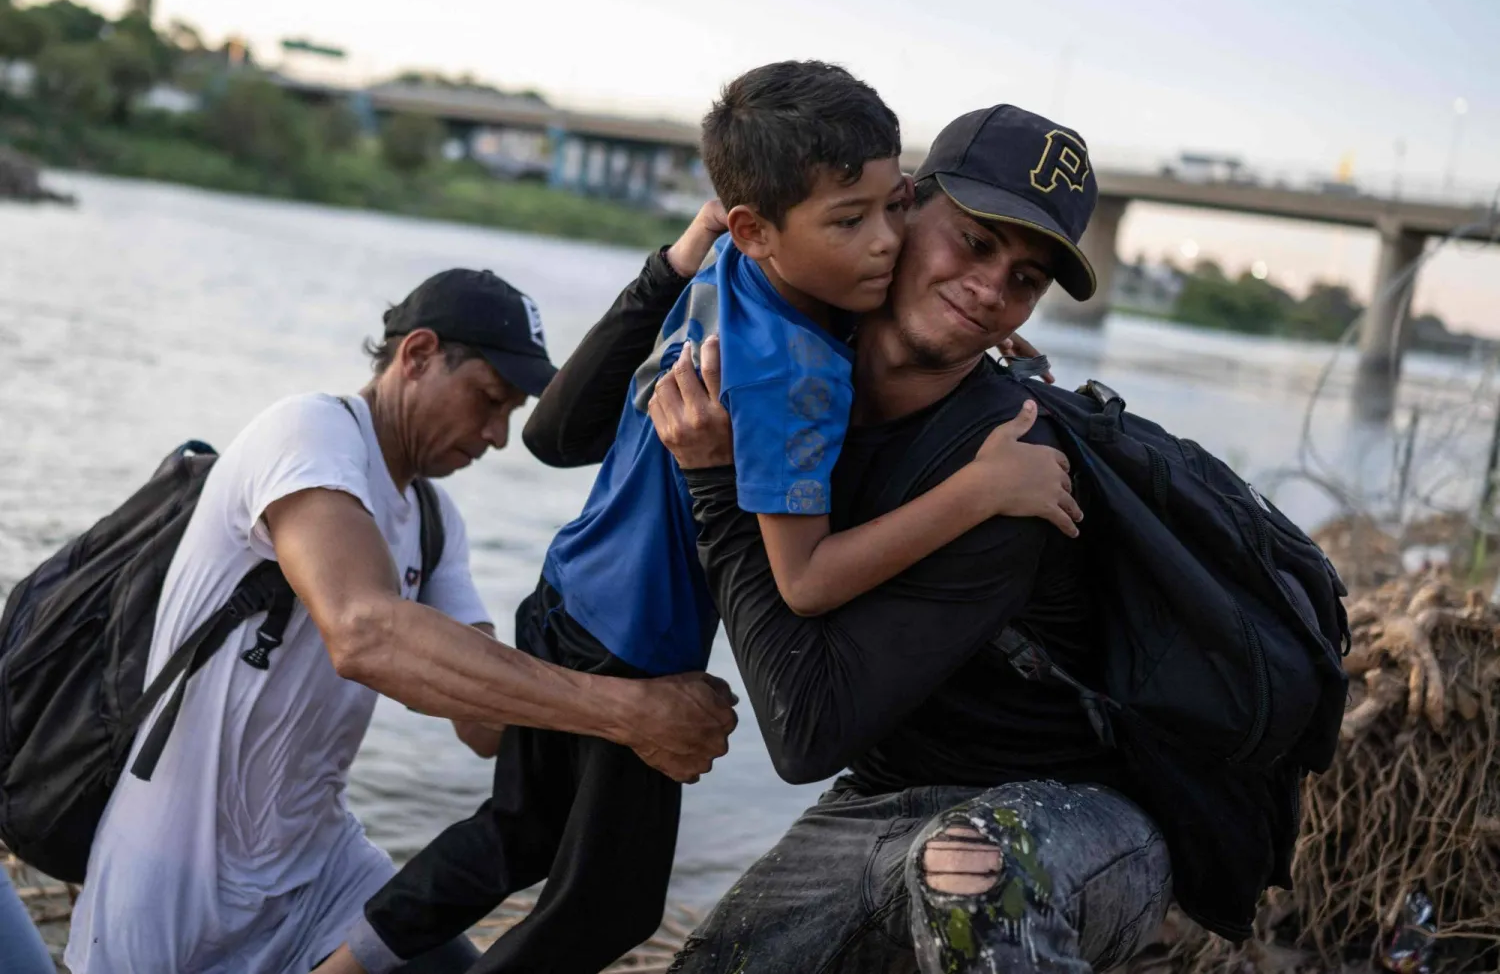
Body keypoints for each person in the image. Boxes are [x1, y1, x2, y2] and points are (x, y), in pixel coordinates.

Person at [323, 62, 1078, 974]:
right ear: (759, 227)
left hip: (565, 591)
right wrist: (981, 489)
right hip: (633, 640)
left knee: (516, 833)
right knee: (610, 907)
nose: (882, 243)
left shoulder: (733, 265)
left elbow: (571, 426)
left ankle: (340, 964)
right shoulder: (799, 374)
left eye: (894, 206)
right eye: (852, 221)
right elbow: (804, 579)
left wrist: (962, 312)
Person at [63, 268, 738, 974]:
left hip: (321, 875)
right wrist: (628, 710)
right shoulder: (308, 434)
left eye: (511, 411)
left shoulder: (432, 521)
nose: (498, 435)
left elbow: (485, 724)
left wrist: (626, 699)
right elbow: (366, 634)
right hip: (174, 874)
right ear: (416, 355)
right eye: (488, 398)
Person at [645, 105, 1177, 973]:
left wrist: (717, 486)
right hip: (883, 805)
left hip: (1078, 820)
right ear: (903, 207)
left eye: (1024, 279)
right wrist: (692, 244)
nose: (991, 289)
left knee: (969, 868)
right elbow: (563, 432)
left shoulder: (1012, 472)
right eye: (973, 243)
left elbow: (805, 728)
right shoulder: (802, 361)